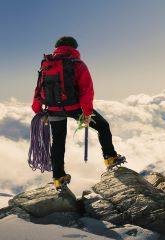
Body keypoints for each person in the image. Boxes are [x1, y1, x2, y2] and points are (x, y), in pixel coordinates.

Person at [32, 36, 125, 189]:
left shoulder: (46, 65)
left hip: (53, 109)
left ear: (57, 48)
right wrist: (87, 114)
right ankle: (110, 158)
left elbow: (38, 89)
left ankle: (58, 177)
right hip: (74, 107)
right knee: (103, 126)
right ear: (74, 48)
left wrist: (38, 111)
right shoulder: (77, 64)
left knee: (58, 142)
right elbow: (86, 91)